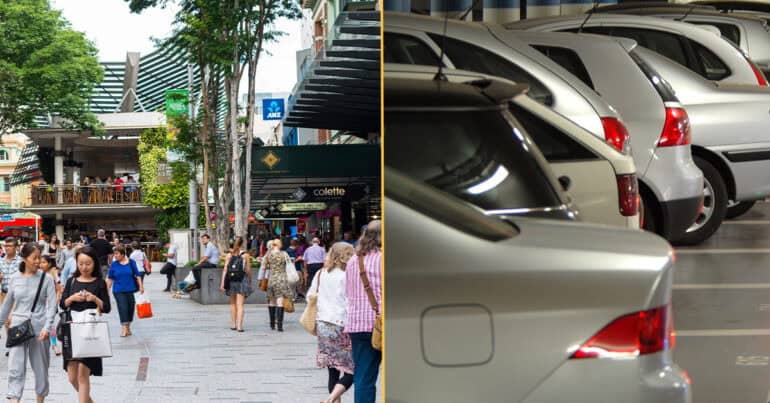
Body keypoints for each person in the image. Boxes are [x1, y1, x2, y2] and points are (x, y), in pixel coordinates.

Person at [0, 242, 57, 403]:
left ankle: (40, 400)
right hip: (18, 327)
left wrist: (47, 327)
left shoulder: (47, 279)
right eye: (35, 258)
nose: (38, 261)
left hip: (40, 329)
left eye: (40, 257)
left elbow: (52, 306)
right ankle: (14, 399)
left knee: (41, 369)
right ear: (24, 258)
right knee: (15, 368)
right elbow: (6, 306)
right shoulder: (15, 279)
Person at [60, 246, 111, 403]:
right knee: (72, 377)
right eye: (81, 263)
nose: (84, 267)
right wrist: (73, 298)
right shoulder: (71, 281)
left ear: (94, 263)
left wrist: (94, 299)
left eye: (88, 263)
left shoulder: (100, 283)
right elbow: (63, 304)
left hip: (90, 332)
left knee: (83, 375)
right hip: (72, 331)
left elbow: (107, 308)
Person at [309, 242, 356, 403]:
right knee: (353, 370)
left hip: (323, 324)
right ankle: (331, 399)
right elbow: (350, 303)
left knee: (333, 370)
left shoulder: (321, 273)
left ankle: (333, 400)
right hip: (342, 324)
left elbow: (310, 295)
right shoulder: (347, 275)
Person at [345, 220, 382, 403]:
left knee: (363, 377)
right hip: (383, 323)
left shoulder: (353, 261)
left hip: (357, 324)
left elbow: (347, 292)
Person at [106, 245, 143, 338]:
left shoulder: (131, 263)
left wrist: (141, 286)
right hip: (118, 290)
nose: (115, 256)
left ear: (123, 254)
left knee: (130, 309)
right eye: (114, 254)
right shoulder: (114, 265)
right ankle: (123, 328)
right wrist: (107, 291)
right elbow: (110, 279)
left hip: (131, 290)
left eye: (117, 254)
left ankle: (128, 326)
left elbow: (138, 275)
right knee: (123, 308)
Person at [220, 237, 252, 332]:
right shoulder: (245, 255)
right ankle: (239, 326)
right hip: (242, 280)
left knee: (233, 303)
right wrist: (250, 279)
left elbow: (225, 270)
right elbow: (248, 269)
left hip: (231, 280)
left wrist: (222, 283)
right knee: (240, 304)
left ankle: (233, 325)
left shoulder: (229, 255)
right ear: (242, 244)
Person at [263, 239, 293, 332]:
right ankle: (279, 326)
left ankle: (272, 324)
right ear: (280, 245)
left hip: (271, 280)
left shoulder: (268, 254)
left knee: (271, 302)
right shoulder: (284, 254)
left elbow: (264, 266)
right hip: (281, 279)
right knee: (280, 303)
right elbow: (289, 263)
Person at [0, 237, 22, 355]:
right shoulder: (1, 261)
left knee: (12, 319)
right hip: (4, 294)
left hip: (16, 295)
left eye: (9, 246)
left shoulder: (21, 261)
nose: (7, 248)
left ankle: (15, 344)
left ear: (16, 247)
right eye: (5, 246)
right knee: (7, 322)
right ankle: (11, 344)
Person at [39, 256, 61, 357]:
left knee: (51, 324)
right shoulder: (37, 273)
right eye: (40, 262)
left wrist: (56, 301)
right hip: (39, 303)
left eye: (44, 262)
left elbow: (58, 288)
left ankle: (54, 344)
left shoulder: (53, 273)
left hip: (50, 303)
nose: (41, 264)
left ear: (49, 263)